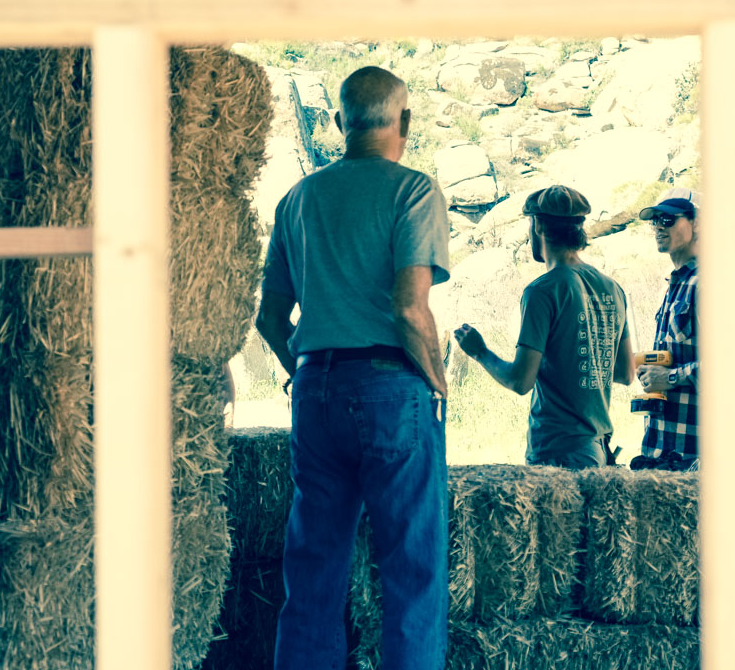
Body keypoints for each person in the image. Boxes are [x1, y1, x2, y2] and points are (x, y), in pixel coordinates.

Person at [256, 66, 451, 670]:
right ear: (405, 121)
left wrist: (305, 371)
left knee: (312, 572)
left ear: (341, 122)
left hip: (315, 386)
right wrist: (437, 382)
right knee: (413, 572)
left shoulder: (298, 198)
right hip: (390, 386)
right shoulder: (414, 190)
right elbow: (409, 307)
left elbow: (269, 317)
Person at [454, 185, 635, 469]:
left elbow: (520, 381)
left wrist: (479, 352)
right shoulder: (612, 288)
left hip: (558, 452)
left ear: (537, 225)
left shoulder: (542, 290)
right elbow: (625, 373)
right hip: (599, 450)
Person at [631, 187, 701, 471]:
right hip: (664, 454)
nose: (659, 226)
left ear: (698, 223)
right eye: (655, 220)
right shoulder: (676, 284)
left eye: (669, 219)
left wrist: (670, 377)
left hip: (694, 459)